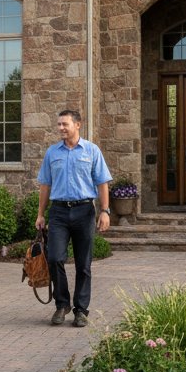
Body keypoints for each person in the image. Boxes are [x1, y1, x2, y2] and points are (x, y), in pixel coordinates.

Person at [35, 109, 112, 327]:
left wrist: (105, 211)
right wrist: (41, 214)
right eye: (58, 124)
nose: (60, 128)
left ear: (77, 125)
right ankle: (62, 305)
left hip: (84, 211)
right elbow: (45, 184)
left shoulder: (91, 151)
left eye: (64, 124)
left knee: (83, 264)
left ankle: (81, 310)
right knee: (55, 258)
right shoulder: (52, 153)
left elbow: (102, 182)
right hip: (58, 212)